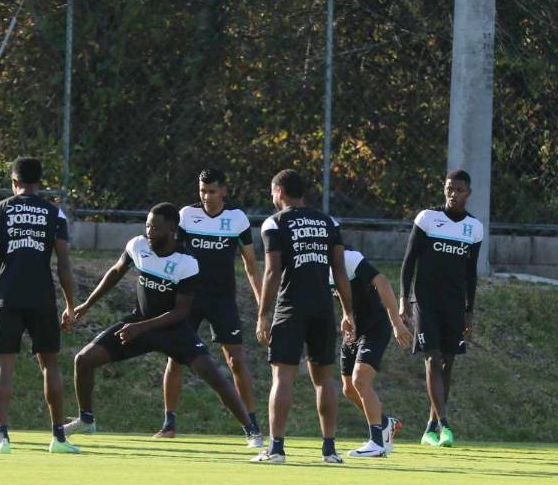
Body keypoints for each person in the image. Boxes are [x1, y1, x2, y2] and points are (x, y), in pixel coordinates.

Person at [65, 203, 259, 444]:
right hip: (138, 323)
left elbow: (180, 313)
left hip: (173, 330)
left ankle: (252, 431)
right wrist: (86, 305)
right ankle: (86, 420)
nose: (149, 231)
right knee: (83, 360)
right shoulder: (137, 245)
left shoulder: (186, 262)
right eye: (147, 225)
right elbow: (115, 273)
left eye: (155, 228)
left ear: (172, 230)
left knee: (214, 375)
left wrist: (140, 328)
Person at [0, 157, 77, 455]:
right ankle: (58, 437)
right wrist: (71, 304)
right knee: (50, 366)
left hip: (7, 297)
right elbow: (64, 265)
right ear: (39, 182)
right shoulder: (54, 213)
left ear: (14, 182)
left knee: (3, 367)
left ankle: (2, 438)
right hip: (42, 297)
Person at [251, 169, 355, 464]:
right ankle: (330, 450)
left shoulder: (275, 223)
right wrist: (347, 312)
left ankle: (277, 449)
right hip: (323, 306)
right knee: (324, 380)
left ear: (279, 192)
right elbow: (339, 269)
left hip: (291, 306)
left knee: (282, 377)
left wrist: (263, 315)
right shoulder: (328, 222)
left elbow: (272, 271)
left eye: (272, 192)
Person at [157, 169, 263, 446]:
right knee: (175, 358)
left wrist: (262, 303)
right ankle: (169, 423)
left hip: (222, 299)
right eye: (202, 191)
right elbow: (173, 254)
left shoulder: (237, 218)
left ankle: (252, 424)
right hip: (188, 299)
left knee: (236, 360)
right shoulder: (186, 216)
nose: (206, 196)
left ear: (224, 191)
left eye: (212, 191)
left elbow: (250, 264)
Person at [399, 169, 484, 447]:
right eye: (449, 188)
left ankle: (431, 426)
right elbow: (409, 261)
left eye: (458, 190)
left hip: (454, 304)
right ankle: (445, 424)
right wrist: (403, 298)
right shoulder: (427, 219)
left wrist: (469, 310)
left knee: (448, 363)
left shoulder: (474, 228)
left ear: (468, 193)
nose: (452, 194)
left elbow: (471, 273)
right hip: (425, 301)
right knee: (432, 359)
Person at [335, 247, 412, 458]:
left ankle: (377, 443)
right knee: (349, 388)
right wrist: (346, 315)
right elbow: (343, 294)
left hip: (375, 327)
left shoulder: (349, 258)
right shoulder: (317, 264)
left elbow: (382, 282)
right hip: (353, 330)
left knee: (361, 380)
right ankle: (385, 424)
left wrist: (396, 322)